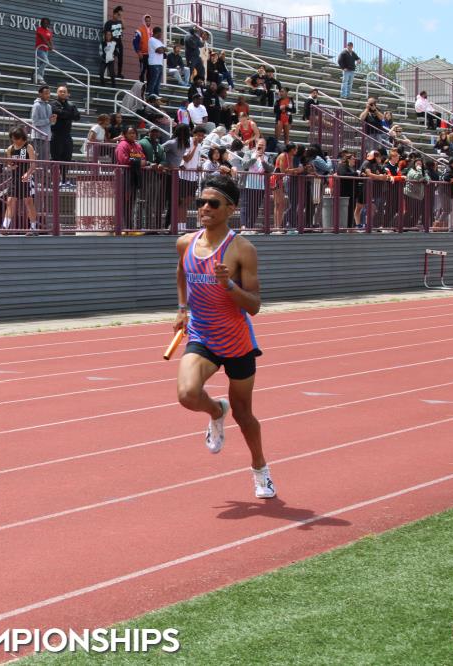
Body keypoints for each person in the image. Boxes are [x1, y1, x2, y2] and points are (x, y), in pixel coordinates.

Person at [174, 173, 273, 498]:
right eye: (200, 202)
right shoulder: (186, 243)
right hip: (202, 336)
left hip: (237, 342)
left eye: (212, 203)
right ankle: (216, 411)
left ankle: (260, 469)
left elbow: (254, 306)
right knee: (187, 394)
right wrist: (182, 309)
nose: (204, 208)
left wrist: (228, 285)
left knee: (244, 414)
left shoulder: (243, 249)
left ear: (230, 209)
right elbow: (181, 271)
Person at [2, 126, 38, 233]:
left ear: (22, 137)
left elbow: (33, 165)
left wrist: (28, 173)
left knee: (28, 202)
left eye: (17, 138)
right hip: (15, 179)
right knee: (10, 201)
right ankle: (5, 227)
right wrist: (10, 167)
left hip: (26, 179)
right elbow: (9, 165)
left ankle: (33, 228)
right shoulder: (10, 149)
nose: (15, 141)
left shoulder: (28, 147)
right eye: (13, 139)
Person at [116, 125, 146, 229]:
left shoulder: (137, 145)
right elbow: (123, 160)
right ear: (125, 134)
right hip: (125, 176)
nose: (133, 135)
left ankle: (129, 227)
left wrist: (137, 161)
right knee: (124, 202)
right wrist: (138, 162)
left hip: (135, 177)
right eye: (130, 133)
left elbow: (144, 158)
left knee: (131, 203)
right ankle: (123, 227)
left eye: (134, 133)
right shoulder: (122, 145)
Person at [239, 138, 272, 230]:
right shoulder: (249, 153)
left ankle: (250, 227)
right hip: (247, 185)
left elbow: (271, 169)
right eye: (259, 145)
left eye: (263, 145)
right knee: (245, 206)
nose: (260, 147)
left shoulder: (268, 157)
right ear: (256, 144)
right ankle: (243, 226)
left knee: (255, 207)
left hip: (260, 187)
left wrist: (263, 161)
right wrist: (255, 158)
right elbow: (244, 165)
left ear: (265, 147)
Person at [50, 85, 80, 186]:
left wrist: (64, 114)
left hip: (67, 135)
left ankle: (64, 180)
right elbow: (57, 112)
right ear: (57, 93)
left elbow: (77, 117)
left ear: (67, 94)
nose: (62, 93)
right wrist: (68, 114)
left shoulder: (71, 104)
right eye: (60, 91)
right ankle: (55, 180)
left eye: (64, 91)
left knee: (67, 158)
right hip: (56, 135)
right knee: (56, 158)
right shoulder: (53, 103)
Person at [30, 85, 54, 162]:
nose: (48, 95)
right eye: (46, 93)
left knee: (45, 160)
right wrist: (49, 120)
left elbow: (50, 123)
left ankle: (44, 170)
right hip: (38, 137)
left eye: (49, 93)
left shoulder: (49, 106)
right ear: (40, 94)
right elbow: (35, 122)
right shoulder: (36, 105)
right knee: (38, 159)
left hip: (47, 137)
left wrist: (53, 120)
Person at [102, 6, 124, 79]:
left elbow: (124, 27)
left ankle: (119, 73)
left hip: (119, 42)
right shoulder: (109, 23)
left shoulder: (120, 22)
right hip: (111, 42)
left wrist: (121, 18)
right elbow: (105, 33)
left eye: (120, 14)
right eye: (118, 14)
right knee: (111, 58)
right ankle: (111, 73)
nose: (119, 16)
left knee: (120, 58)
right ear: (114, 14)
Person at [146, 26, 165, 98]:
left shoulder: (159, 41)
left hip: (159, 64)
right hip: (154, 64)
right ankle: (150, 96)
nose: (161, 34)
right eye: (161, 33)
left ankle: (156, 97)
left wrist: (162, 49)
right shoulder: (152, 40)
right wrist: (162, 49)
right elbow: (160, 51)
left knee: (158, 83)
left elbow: (165, 49)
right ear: (157, 33)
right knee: (153, 81)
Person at [34, 17, 53, 86]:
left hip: (45, 50)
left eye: (47, 23)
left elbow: (50, 40)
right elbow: (43, 38)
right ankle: (37, 74)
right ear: (41, 23)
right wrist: (49, 45)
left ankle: (40, 79)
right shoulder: (39, 29)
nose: (45, 24)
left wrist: (52, 46)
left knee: (43, 64)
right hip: (39, 49)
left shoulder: (49, 31)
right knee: (46, 62)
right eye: (44, 23)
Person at [134, 14, 151, 83]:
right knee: (142, 70)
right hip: (143, 54)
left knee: (149, 71)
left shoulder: (152, 31)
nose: (148, 22)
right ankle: (141, 85)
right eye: (146, 21)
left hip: (150, 55)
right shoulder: (139, 30)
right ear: (144, 21)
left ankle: (148, 86)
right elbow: (135, 42)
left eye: (149, 21)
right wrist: (138, 51)